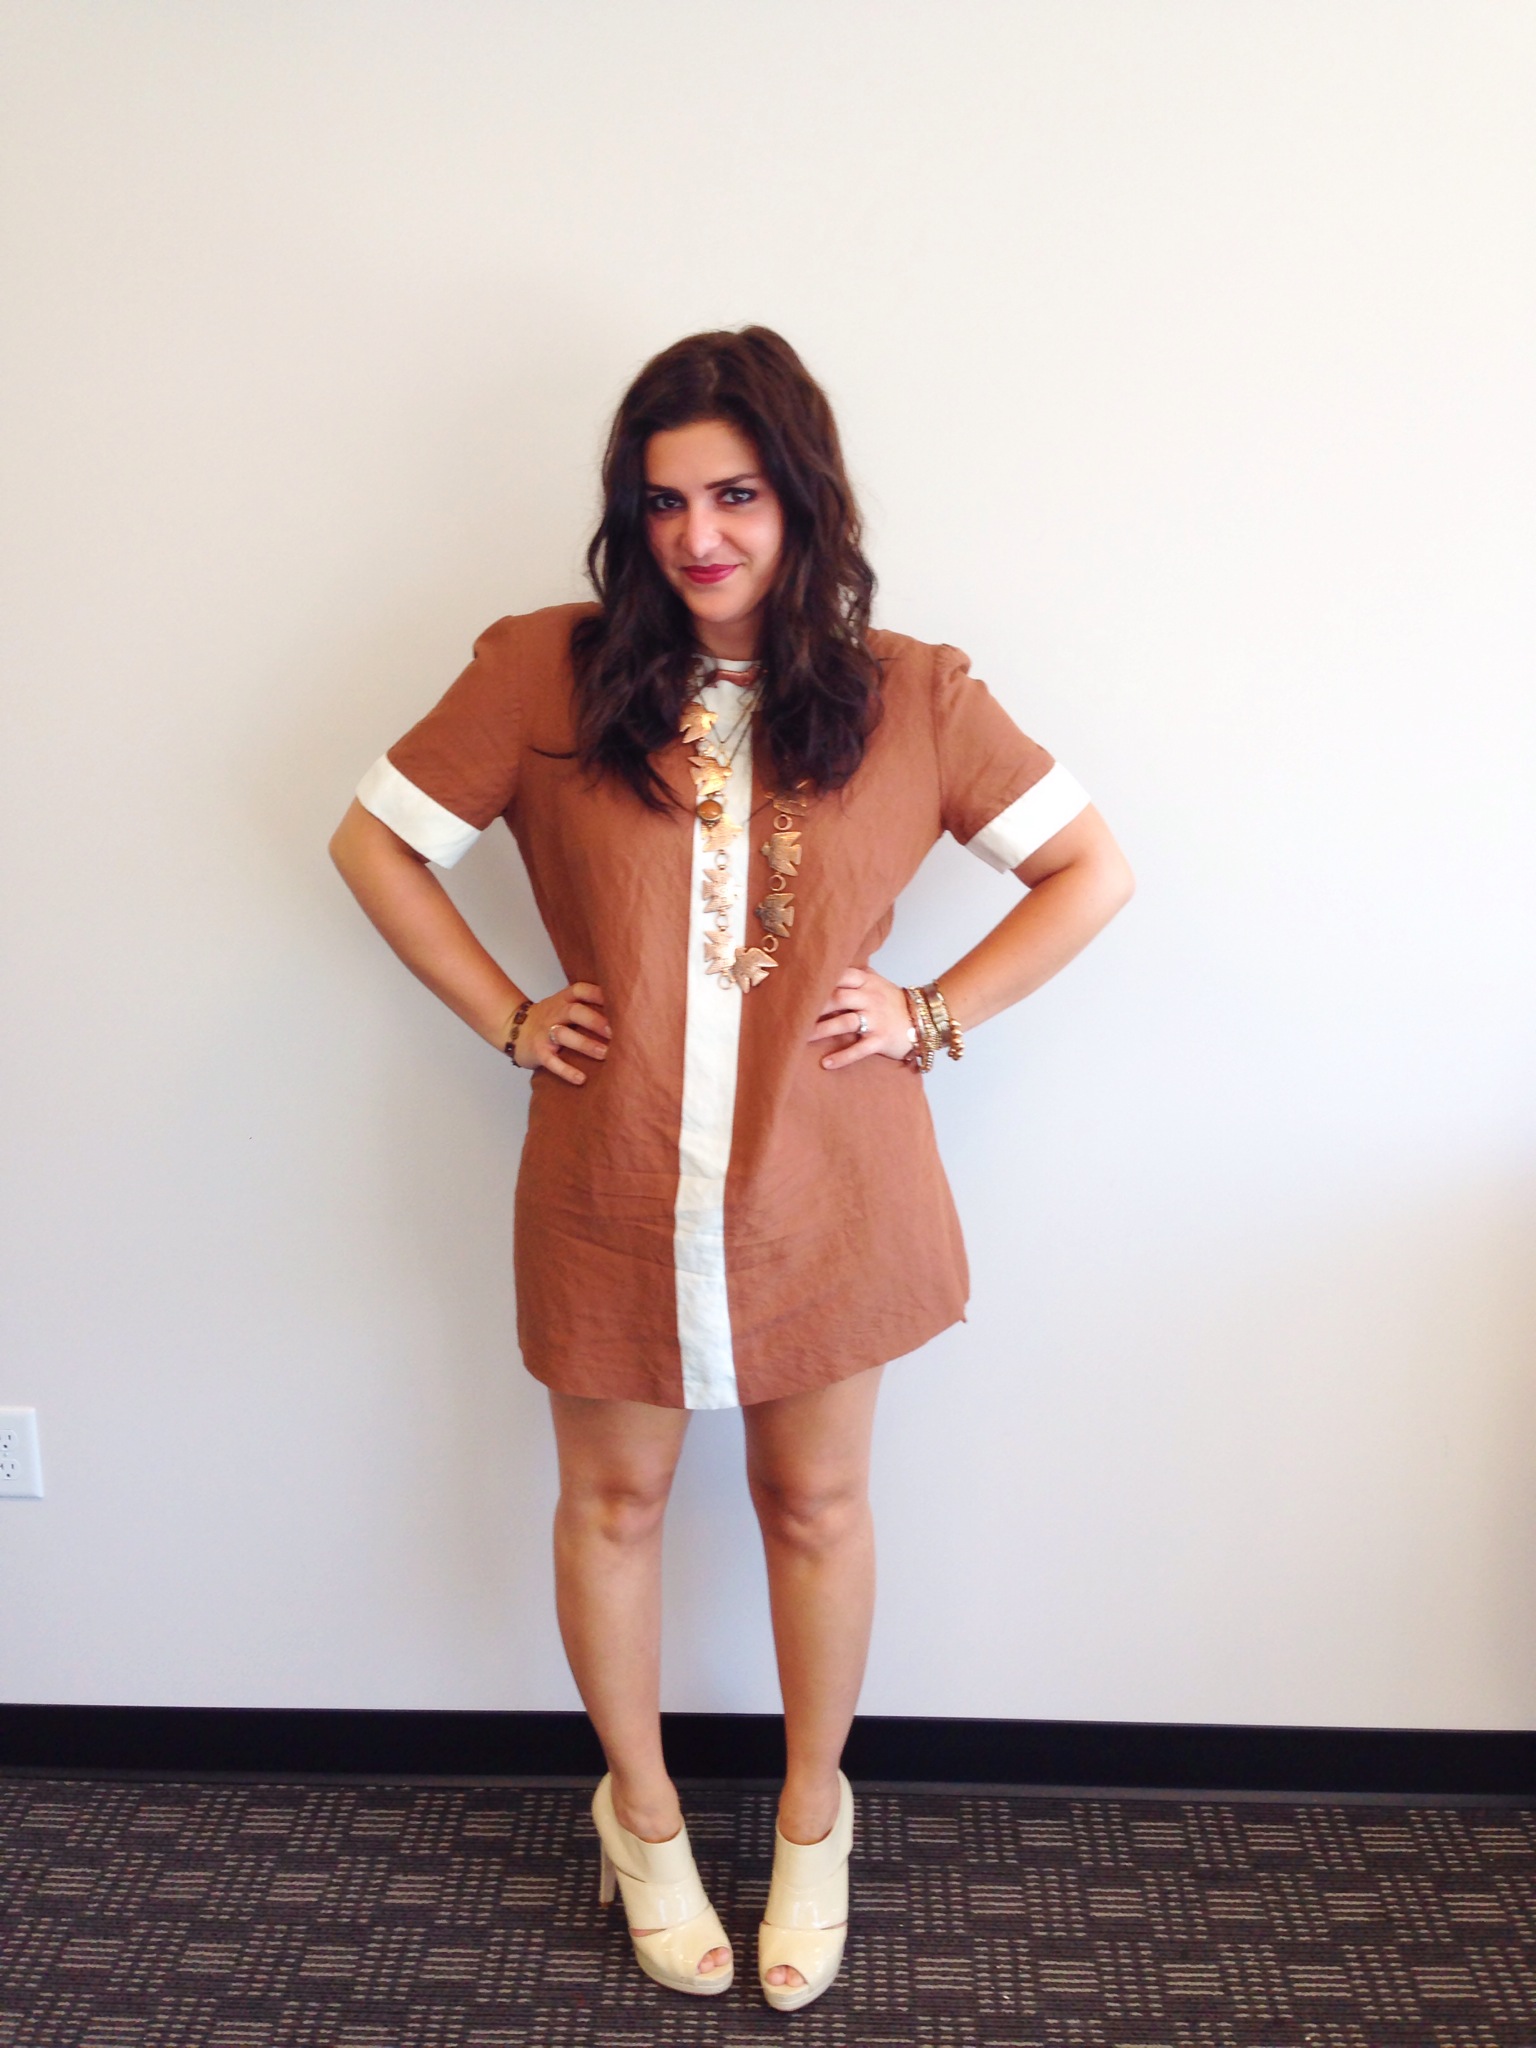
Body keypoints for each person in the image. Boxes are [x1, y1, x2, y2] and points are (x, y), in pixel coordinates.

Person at [329, 326, 1134, 2012]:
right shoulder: (544, 673)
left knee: (814, 1503)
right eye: (666, 501)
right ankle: (640, 1816)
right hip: (612, 1174)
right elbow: (376, 840)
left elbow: (1089, 869)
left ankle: (813, 1816)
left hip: (829, 1182)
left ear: (802, 501)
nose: (700, 535)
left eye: (739, 495)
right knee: (614, 1502)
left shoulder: (912, 692)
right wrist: (506, 1013)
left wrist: (932, 1010)